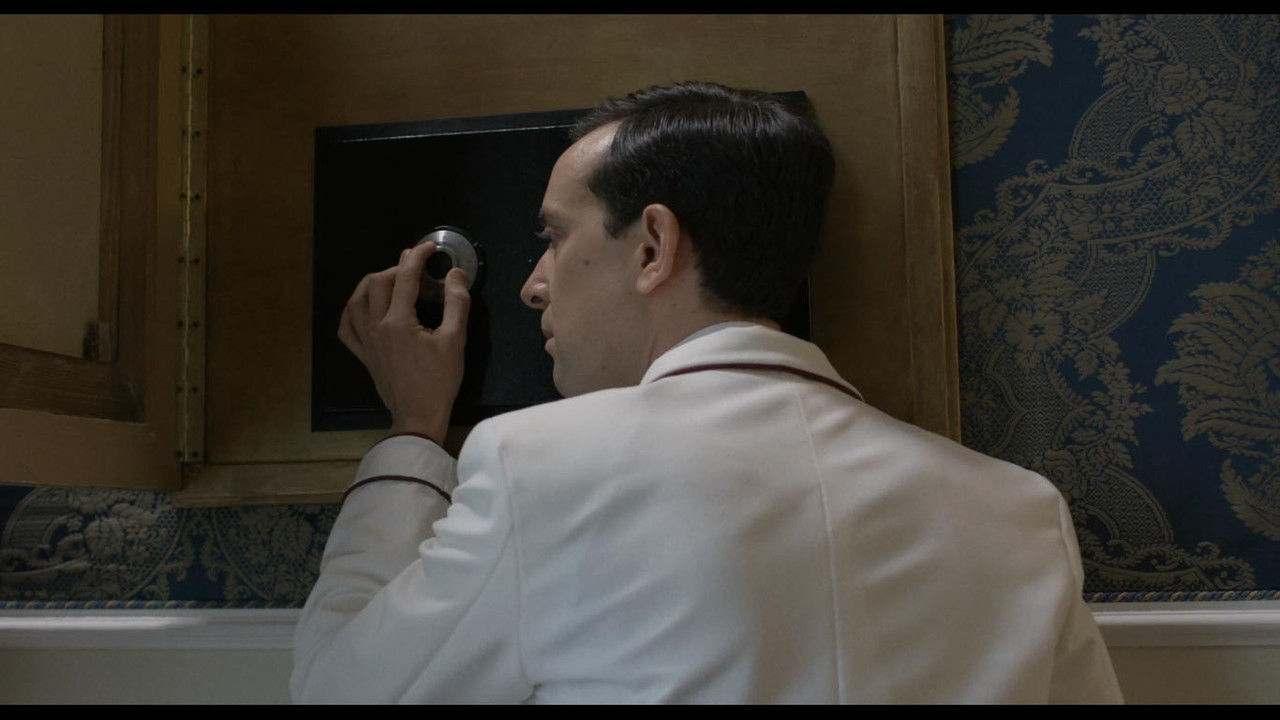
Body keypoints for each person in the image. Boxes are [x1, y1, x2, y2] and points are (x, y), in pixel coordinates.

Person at [291, 81, 1124, 704]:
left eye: (554, 236)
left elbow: (338, 690)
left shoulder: (535, 467)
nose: (533, 285)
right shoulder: (1020, 513)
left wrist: (412, 432)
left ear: (653, 245)